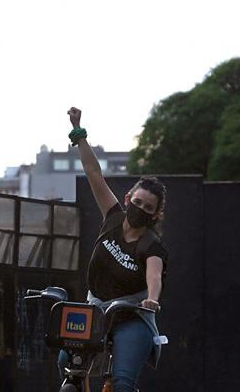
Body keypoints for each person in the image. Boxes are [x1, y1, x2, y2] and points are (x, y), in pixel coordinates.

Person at [63, 106, 168, 392]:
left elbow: (154, 277)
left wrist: (153, 300)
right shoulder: (113, 217)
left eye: (148, 208)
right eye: (137, 202)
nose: (140, 210)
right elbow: (93, 172)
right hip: (95, 308)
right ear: (128, 198)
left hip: (131, 316)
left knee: (121, 384)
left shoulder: (151, 246)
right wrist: (78, 131)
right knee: (67, 362)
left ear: (155, 215)